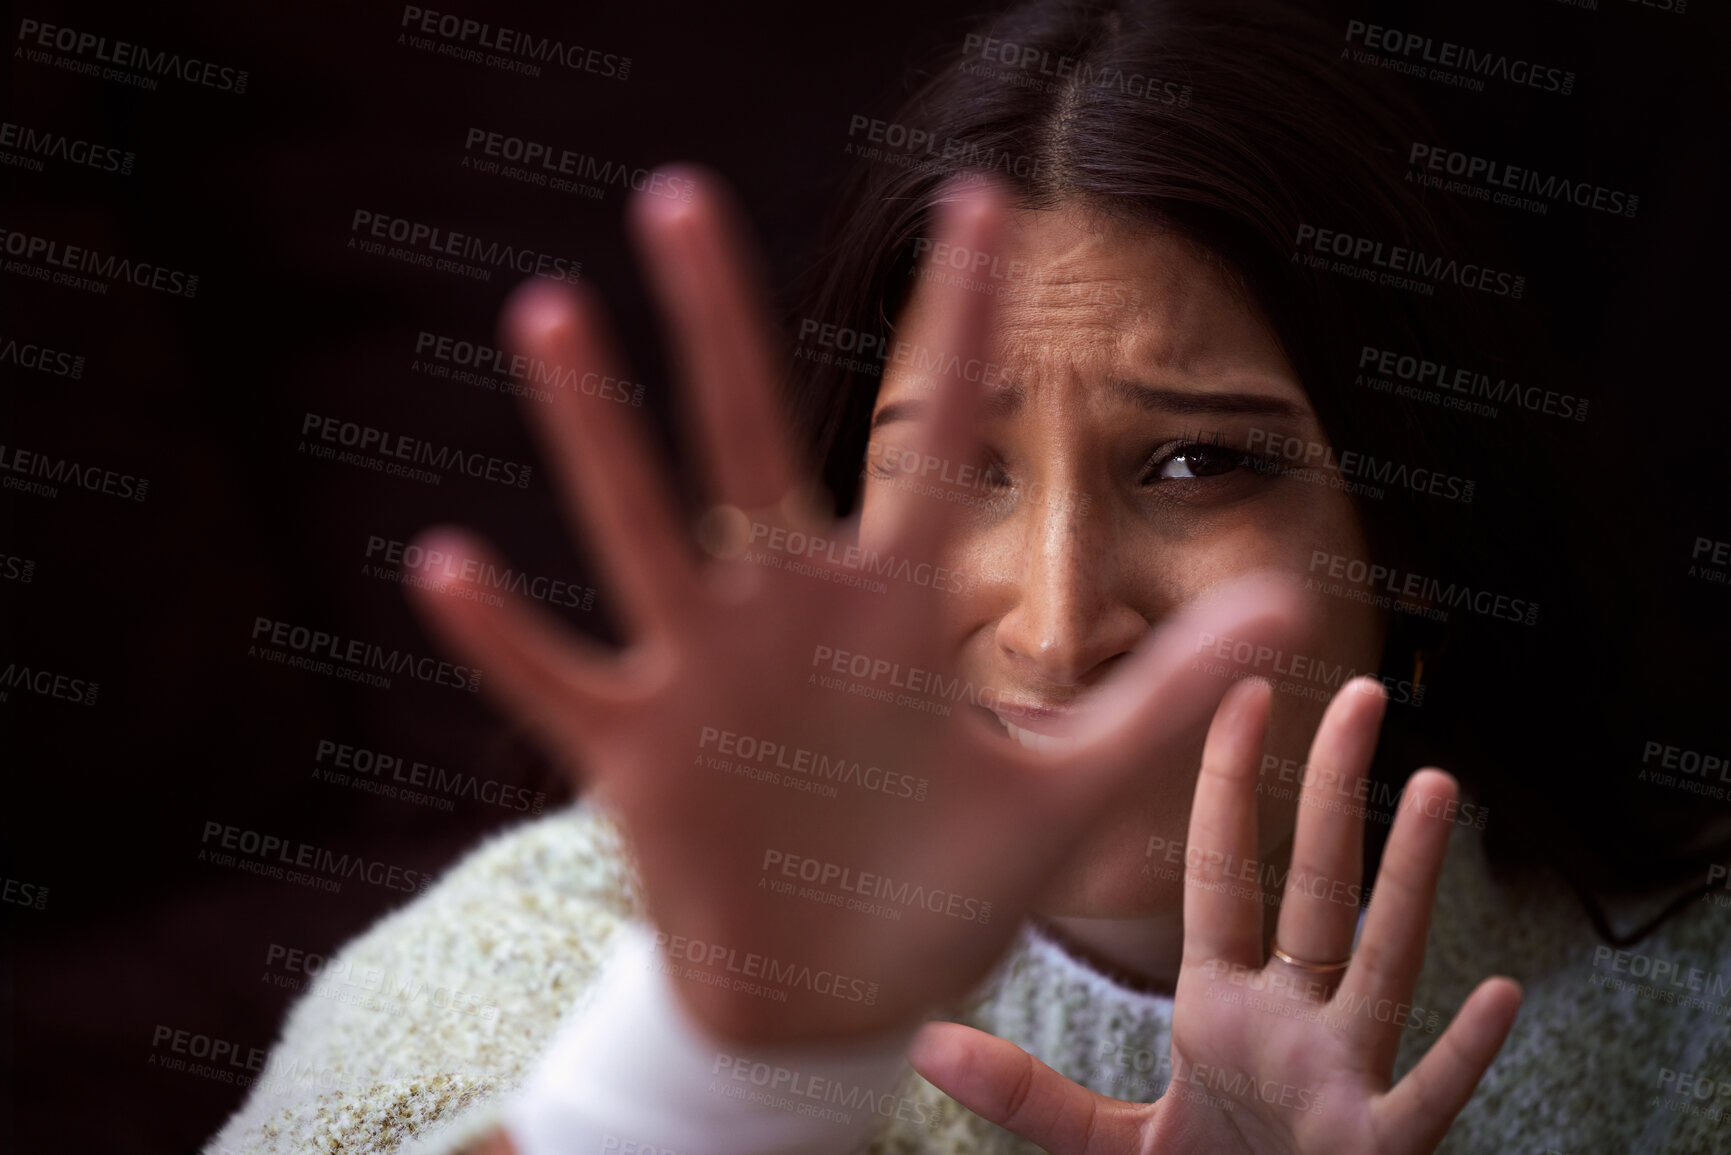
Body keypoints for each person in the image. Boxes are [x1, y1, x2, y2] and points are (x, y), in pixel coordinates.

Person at [204, 2, 1731, 1153]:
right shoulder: (562, 948)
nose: (1059, 629)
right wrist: (715, 1064)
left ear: (1418, 525)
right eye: (958, 471)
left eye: (1198, 464)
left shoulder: (1691, 1011)